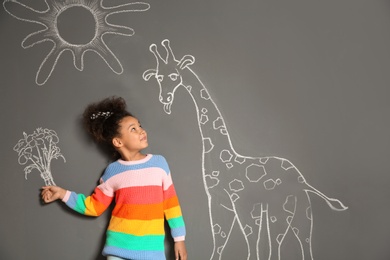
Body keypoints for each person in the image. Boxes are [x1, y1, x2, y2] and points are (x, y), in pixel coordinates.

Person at [41, 96, 187, 260]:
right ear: (118, 141)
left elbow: (171, 204)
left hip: (152, 253)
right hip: (118, 252)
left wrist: (179, 239)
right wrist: (62, 194)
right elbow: (94, 207)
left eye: (140, 126)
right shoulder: (112, 172)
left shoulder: (159, 164)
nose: (141, 130)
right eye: (133, 129)